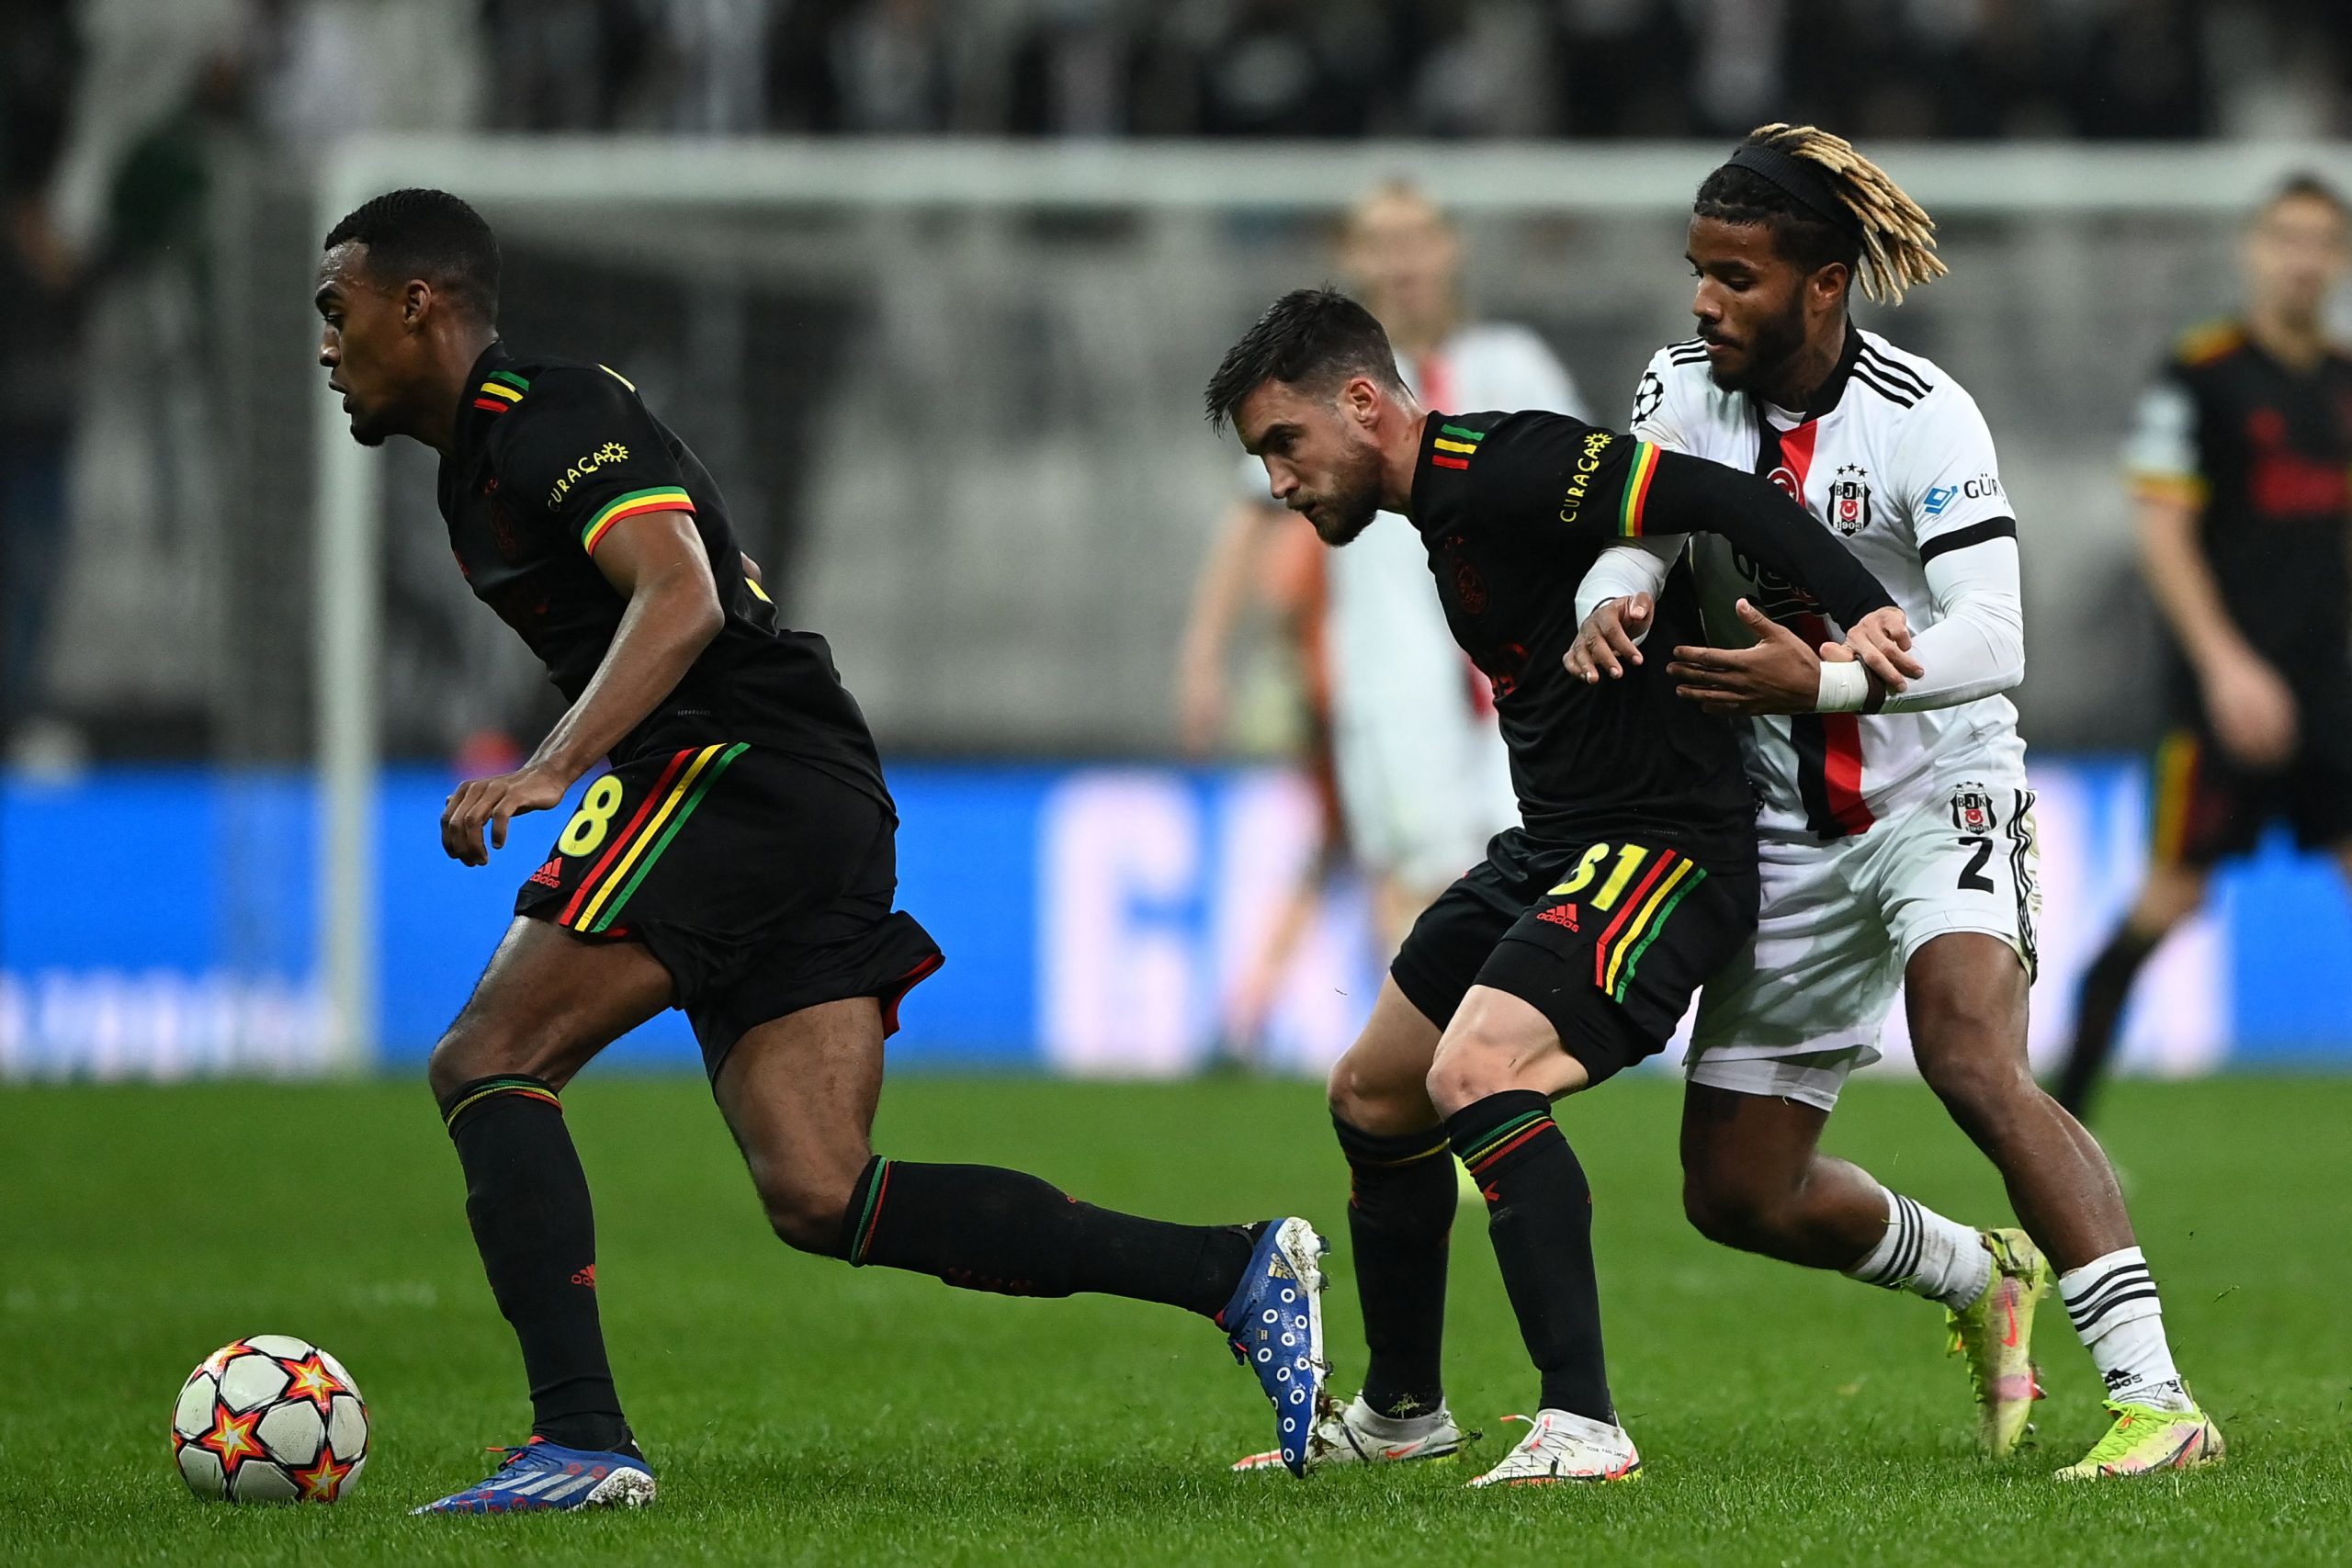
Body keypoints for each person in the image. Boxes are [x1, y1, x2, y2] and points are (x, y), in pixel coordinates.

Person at [313, 188, 1330, 1512]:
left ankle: (579, 1437)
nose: (327, 347)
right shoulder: (474, 463)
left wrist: (555, 762)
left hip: (730, 771)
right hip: (802, 784)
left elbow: (678, 589)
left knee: (488, 1056)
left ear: (419, 304)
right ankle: (1231, 1269)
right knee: (818, 1185)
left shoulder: (541, 417)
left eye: (337, 313)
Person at [1566, 125, 2222, 1478]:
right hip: (1786, 824)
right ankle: (1977, 1273)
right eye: (1699, 270)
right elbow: (1630, 523)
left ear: (1822, 285)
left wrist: (1822, 686)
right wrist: (1610, 594)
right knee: (1733, 1190)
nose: (1704, 300)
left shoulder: (1925, 414)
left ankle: (2160, 1399)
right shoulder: (1679, 385)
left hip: (1941, 787)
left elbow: (1997, 634)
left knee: (1971, 1051)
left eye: (1735, 277)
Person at [1204, 287, 1917, 1484]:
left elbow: (1717, 497)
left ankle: (1584, 1423)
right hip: (1557, 842)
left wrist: (1867, 613)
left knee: (1476, 1070)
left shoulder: (1505, 463)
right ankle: (1404, 1407)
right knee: (1377, 1092)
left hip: (1665, 844)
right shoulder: (1445, 509)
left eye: (1285, 442)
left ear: (1364, 402)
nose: (1277, 480)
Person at [1180, 184, 1576, 1055]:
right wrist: (1209, 655)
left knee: (1538, 884)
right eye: (1378, 243)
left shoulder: (1512, 364)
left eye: (1415, 239)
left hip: (1520, 677)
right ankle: (1447, 1100)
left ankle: (1490, 1081)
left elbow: (1584, 490)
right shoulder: (1320, 400)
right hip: (1392, 682)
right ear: (1353, 259)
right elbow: (1254, 516)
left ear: (1449, 249)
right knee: (1423, 894)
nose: (1400, 261)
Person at [2054, 175, 2352, 1123]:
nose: (2301, 259)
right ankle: (2061, 1127)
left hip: (2331, 685)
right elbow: (2163, 530)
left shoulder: (2346, 383)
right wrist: (2226, 664)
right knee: (2172, 897)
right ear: (2252, 251)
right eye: (2285, 239)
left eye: (2320, 242)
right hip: (2223, 689)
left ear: (2339, 259)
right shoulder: (2200, 376)